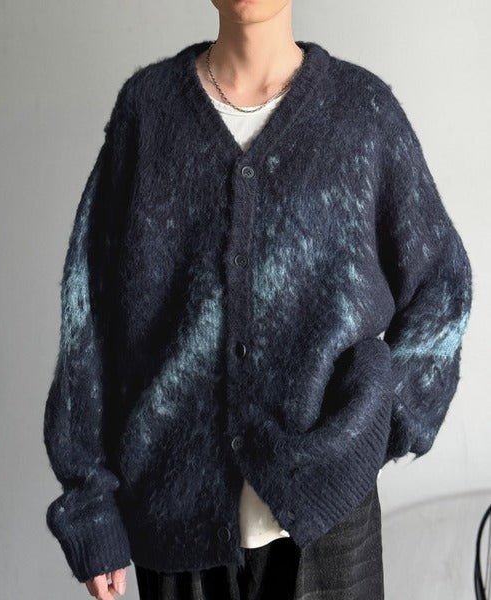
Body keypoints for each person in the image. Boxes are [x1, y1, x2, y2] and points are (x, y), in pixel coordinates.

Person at [43, 0, 473, 599]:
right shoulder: (148, 113)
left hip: (329, 528)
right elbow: (87, 316)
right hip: (172, 520)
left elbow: (441, 292)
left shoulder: (362, 116)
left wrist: (377, 422)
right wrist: (90, 505)